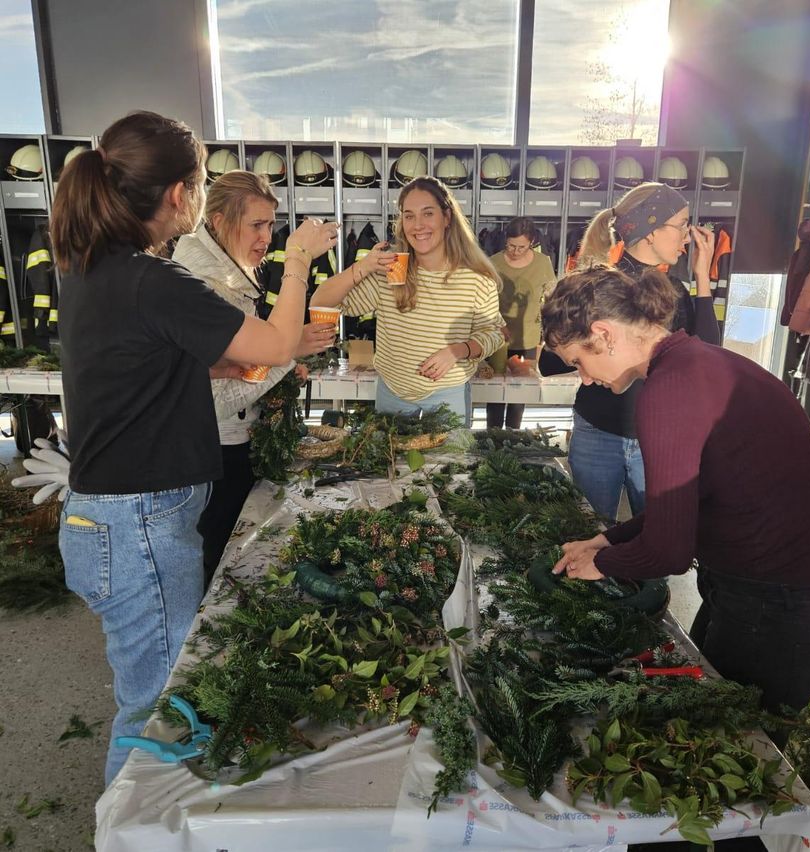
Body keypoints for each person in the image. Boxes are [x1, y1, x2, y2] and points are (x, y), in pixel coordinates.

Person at [49, 111, 338, 785]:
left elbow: (135, 361)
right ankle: (126, 825)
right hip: (137, 527)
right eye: (202, 181)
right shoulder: (155, 279)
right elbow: (270, 344)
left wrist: (209, 366)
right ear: (181, 194)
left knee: (160, 693)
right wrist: (297, 261)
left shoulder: (100, 270)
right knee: (151, 711)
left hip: (118, 522)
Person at [543, 264, 810, 718]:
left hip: (775, 617)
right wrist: (607, 538)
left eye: (577, 363)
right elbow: (694, 498)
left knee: (728, 747)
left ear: (604, 333)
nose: (585, 379)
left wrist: (600, 565)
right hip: (772, 600)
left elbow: (668, 552)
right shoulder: (702, 361)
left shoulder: (668, 391)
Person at [172, 171, 337, 587]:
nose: (266, 238)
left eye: (270, 225)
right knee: (216, 554)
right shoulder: (206, 283)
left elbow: (235, 362)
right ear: (221, 220)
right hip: (215, 450)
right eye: (256, 225)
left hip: (235, 439)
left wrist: (282, 360)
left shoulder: (230, 269)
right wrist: (287, 350)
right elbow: (217, 396)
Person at [541, 183, 718, 523]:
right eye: (682, 224)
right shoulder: (600, 286)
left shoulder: (675, 290)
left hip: (657, 436)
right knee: (589, 532)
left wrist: (702, 276)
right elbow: (549, 362)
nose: (688, 236)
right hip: (598, 430)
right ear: (651, 230)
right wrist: (585, 352)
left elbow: (707, 353)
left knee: (654, 535)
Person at [311, 175, 504, 426]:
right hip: (393, 392)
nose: (418, 225)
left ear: (447, 218)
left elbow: (494, 333)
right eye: (409, 215)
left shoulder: (477, 278)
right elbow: (322, 301)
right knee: (390, 463)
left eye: (428, 213)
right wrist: (362, 267)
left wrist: (457, 351)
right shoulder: (393, 270)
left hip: (449, 392)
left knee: (449, 464)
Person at [486, 217, 556, 430]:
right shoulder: (494, 262)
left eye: (521, 247)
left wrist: (547, 333)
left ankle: (513, 436)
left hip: (528, 336)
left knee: (519, 392)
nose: (515, 251)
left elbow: (551, 297)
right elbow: (483, 299)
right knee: (495, 393)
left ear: (532, 242)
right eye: (511, 245)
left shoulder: (543, 263)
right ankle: (493, 436)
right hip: (498, 336)